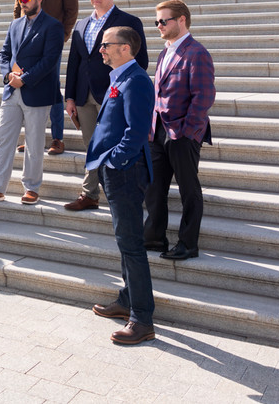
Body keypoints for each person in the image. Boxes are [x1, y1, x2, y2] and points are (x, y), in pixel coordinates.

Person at [86, 26, 157, 345]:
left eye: (106, 45)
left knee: (131, 244)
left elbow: (138, 130)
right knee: (124, 240)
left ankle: (142, 319)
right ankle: (127, 299)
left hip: (126, 171)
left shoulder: (137, 79)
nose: (101, 49)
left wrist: (114, 160)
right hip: (116, 171)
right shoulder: (121, 76)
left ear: (126, 49)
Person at [0, 0, 63, 206]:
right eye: (20, 0)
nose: (22, 4)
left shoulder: (53, 26)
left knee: (34, 142)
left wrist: (26, 78)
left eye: (26, 0)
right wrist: (8, 75)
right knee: (3, 139)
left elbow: (50, 60)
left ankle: (31, 187)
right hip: (12, 90)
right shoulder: (15, 24)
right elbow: (4, 53)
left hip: (37, 91)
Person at [63, 0, 149, 212]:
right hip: (83, 96)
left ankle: (124, 193)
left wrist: (125, 89)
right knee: (92, 145)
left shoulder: (129, 22)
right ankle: (89, 193)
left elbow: (141, 61)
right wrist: (69, 97)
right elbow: (74, 63)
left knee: (117, 143)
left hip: (113, 93)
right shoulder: (81, 25)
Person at [144, 0, 216, 262]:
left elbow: (204, 97)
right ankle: (153, 237)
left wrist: (187, 131)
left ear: (182, 20)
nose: (159, 26)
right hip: (158, 132)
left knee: (188, 190)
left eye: (164, 21)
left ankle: (188, 244)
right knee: (154, 187)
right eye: (157, 22)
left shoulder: (197, 53)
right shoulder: (165, 52)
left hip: (182, 134)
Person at [14, 0, 78, 156]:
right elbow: (17, 10)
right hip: (27, 45)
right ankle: (31, 137)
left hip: (51, 43)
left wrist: (61, 37)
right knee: (27, 86)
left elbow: (71, 10)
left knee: (52, 88)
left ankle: (57, 138)